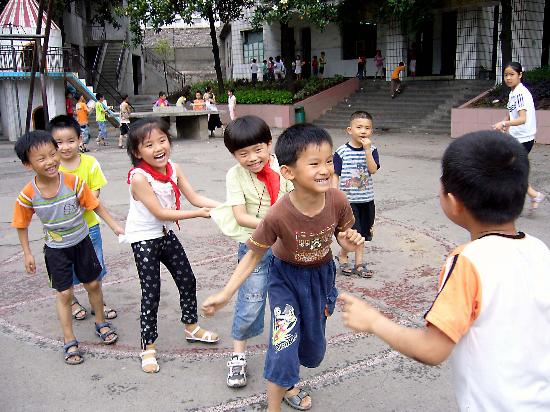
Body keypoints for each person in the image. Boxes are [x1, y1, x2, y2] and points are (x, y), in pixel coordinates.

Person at [340, 130, 550, 411]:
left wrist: (374, 321)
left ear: (453, 202)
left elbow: (432, 349)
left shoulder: (468, 261)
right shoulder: (539, 249)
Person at [202, 123, 364, 411]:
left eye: (328, 161)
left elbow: (342, 234)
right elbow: (252, 255)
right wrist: (225, 294)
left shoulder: (338, 200)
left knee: (312, 352)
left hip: (320, 278)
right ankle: (274, 404)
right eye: (314, 163)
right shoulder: (277, 214)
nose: (325, 169)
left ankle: (290, 378)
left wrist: (348, 244)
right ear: (288, 172)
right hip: (285, 279)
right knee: (283, 344)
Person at [12, 130, 124, 365]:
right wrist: (27, 253)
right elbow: (21, 224)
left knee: (93, 283)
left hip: (82, 242)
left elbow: (95, 205)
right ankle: (69, 339)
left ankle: (101, 323)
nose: (51, 161)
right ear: (27, 164)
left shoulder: (73, 182)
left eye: (52, 154)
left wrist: (115, 226)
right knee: (64, 294)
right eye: (41, 158)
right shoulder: (28, 194)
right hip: (56, 249)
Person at [122, 118, 221, 373]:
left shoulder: (173, 168)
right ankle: (148, 347)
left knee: (187, 279)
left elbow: (195, 197)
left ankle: (191, 327)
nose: (158, 148)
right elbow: (161, 213)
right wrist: (199, 214)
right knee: (151, 293)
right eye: (149, 144)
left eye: (162, 140)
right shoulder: (139, 178)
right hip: (144, 238)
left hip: (164, 234)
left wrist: (226, 207)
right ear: (137, 152)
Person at [209, 116, 293, 388]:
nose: (252, 158)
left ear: (269, 144)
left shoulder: (284, 169)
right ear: (234, 155)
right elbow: (241, 216)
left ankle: (282, 356)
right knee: (251, 302)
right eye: (242, 154)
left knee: (285, 307)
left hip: (286, 248)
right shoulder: (235, 175)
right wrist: (275, 225)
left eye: (258, 149)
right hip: (255, 245)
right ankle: (238, 355)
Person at [49, 114, 118, 321]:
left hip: (89, 228)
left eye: (71, 141)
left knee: (95, 268)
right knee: (66, 271)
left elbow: (95, 193)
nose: (65, 147)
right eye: (58, 143)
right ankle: (71, 302)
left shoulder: (90, 163)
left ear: (80, 139)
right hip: (60, 233)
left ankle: (98, 302)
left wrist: (79, 203)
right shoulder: (52, 168)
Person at [492, 61, 545, 211]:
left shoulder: (521, 93)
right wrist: (505, 121)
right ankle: (534, 196)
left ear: (520, 75)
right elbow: (511, 111)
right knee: (512, 169)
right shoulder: (514, 92)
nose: (508, 78)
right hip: (518, 138)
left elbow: (522, 118)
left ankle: (513, 201)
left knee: (509, 169)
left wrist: (503, 125)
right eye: (506, 75)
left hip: (524, 139)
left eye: (512, 75)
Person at [332, 111, 379, 277]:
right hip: (348, 201)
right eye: (359, 127)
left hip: (367, 199)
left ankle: (343, 255)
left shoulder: (372, 150)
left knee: (363, 233)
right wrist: (334, 195)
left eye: (367, 128)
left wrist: (367, 151)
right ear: (349, 130)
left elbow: (373, 170)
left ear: (371, 131)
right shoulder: (341, 152)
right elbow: (335, 174)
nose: (363, 131)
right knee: (354, 232)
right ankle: (359, 264)